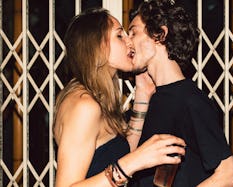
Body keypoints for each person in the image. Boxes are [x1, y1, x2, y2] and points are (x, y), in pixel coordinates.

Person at [53, 7, 186, 187]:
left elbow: (118, 155)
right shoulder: (84, 105)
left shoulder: (98, 98)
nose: (129, 41)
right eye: (120, 36)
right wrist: (135, 161)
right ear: (98, 46)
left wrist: (142, 95)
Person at [127, 0, 233, 186]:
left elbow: (228, 174)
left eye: (134, 32)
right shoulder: (152, 97)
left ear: (160, 35)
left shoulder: (190, 100)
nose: (128, 41)